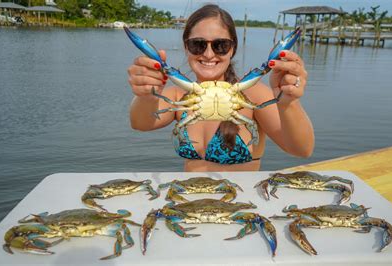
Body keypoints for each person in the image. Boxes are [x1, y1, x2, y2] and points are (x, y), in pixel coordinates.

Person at [127, 4, 314, 172]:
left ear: (232, 49)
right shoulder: (179, 95)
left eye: (220, 45)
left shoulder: (253, 95)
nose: (209, 54)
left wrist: (289, 102)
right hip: (189, 201)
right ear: (186, 47)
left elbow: (301, 149)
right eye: (198, 44)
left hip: (239, 203)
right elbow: (141, 124)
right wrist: (146, 95)